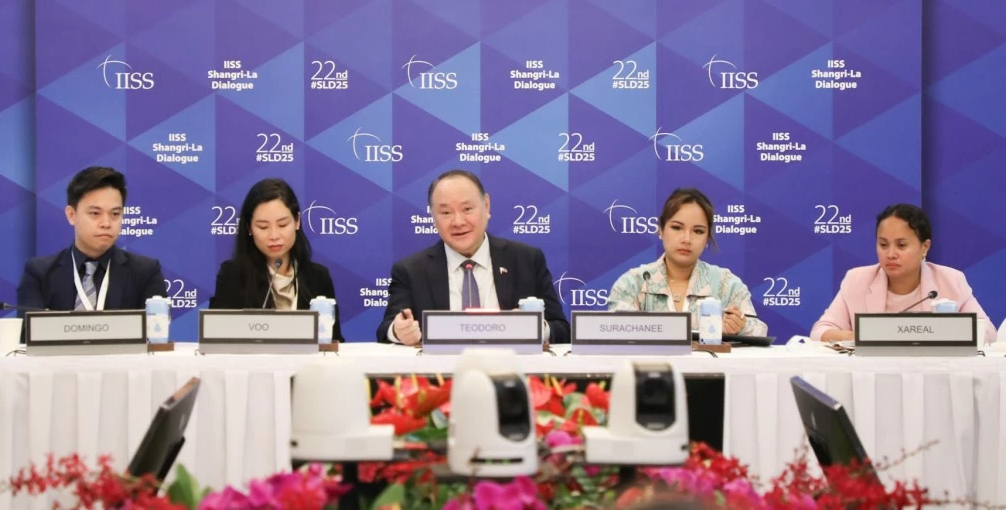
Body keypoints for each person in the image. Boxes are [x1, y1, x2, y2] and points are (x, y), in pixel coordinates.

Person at [377, 170, 569, 345]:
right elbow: (386, 329)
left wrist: (535, 327)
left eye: (467, 209)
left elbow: (562, 330)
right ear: (433, 217)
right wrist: (398, 331)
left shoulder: (526, 259)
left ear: (486, 206)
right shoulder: (410, 270)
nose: (458, 222)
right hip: (441, 375)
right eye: (445, 212)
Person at [811, 203, 996, 343]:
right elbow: (820, 331)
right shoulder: (857, 280)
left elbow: (988, 332)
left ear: (925, 247)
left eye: (901, 245)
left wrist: (945, 332)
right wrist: (861, 337)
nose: (891, 254)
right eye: (883, 244)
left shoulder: (950, 280)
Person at [608, 187, 766, 337]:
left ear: (707, 239)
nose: (686, 239)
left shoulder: (726, 284)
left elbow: (760, 331)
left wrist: (741, 326)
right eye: (677, 228)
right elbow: (614, 332)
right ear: (661, 230)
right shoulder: (632, 283)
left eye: (698, 231)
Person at [209, 178, 344, 341]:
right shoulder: (232, 275)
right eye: (263, 227)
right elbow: (216, 338)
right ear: (249, 228)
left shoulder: (318, 277)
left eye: (282, 225)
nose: (274, 235)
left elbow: (333, 342)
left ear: (297, 221)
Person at [17, 166, 166, 311]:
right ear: (71, 215)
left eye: (115, 214)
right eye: (95, 213)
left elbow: (155, 333)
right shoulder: (39, 273)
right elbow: (30, 332)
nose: (106, 223)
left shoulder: (145, 272)